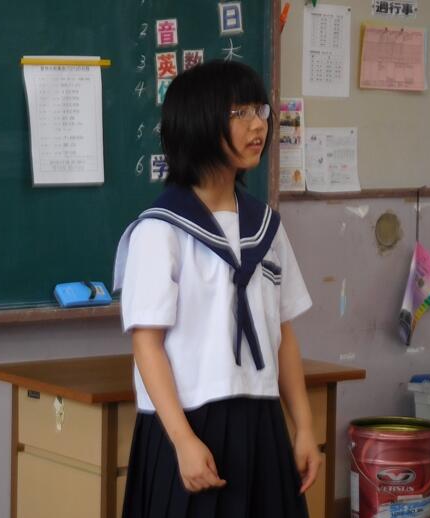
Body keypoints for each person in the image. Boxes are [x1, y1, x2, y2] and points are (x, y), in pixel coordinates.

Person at [113, 59, 320, 518]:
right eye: (239, 113)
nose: (258, 125)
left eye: (259, 110)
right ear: (199, 124)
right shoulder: (160, 231)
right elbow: (147, 344)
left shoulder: (266, 227)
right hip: (187, 424)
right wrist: (182, 440)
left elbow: (283, 334)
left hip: (262, 421)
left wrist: (304, 426)